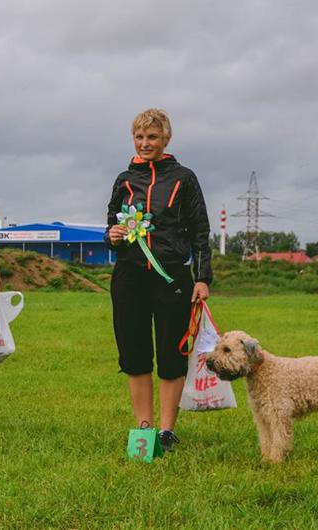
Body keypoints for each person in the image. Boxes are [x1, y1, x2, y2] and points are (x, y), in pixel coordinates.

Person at [104, 109, 212, 452]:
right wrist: (114, 235)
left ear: (166, 138)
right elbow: (110, 227)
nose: (145, 143)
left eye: (152, 136)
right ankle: (144, 429)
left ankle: (166, 431)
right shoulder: (124, 179)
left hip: (173, 277)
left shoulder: (184, 178)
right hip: (129, 277)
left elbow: (200, 232)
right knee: (134, 354)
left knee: (170, 354)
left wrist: (202, 277)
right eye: (139, 137)